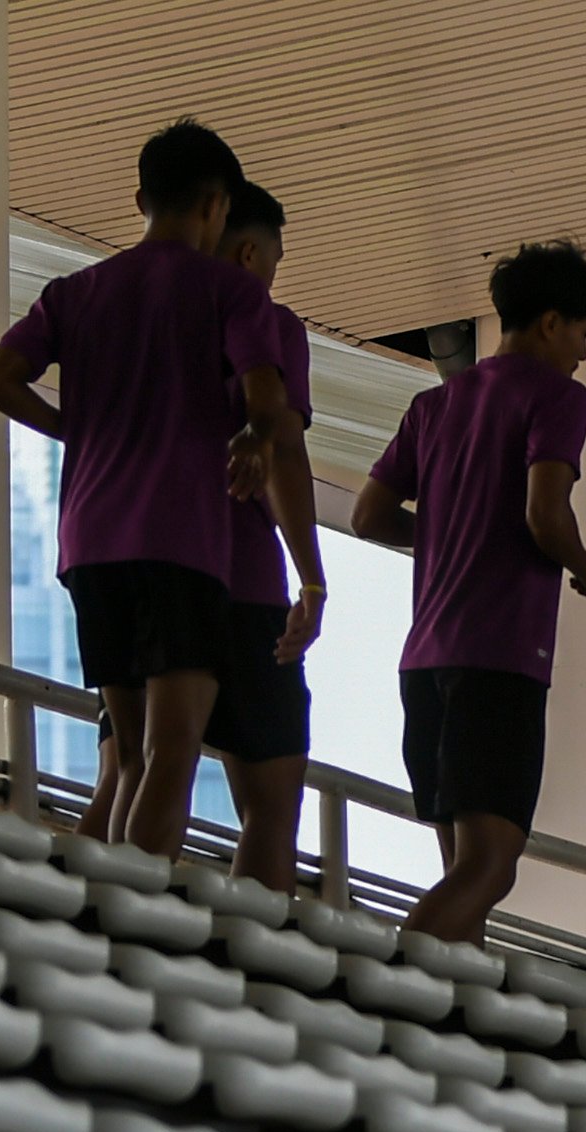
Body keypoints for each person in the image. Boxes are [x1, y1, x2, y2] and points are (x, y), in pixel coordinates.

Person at [0, 120, 313, 858]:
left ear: (141, 197)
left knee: (126, 760)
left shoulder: (76, 291)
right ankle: (130, 925)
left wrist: (72, 428)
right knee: (172, 753)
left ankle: (86, 906)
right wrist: (255, 439)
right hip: (180, 545)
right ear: (218, 205)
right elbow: (266, 401)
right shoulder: (233, 292)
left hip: (89, 545)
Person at [351, 240, 586, 945]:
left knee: (460, 871)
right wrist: (584, 564)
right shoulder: (559, 397)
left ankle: (445, 1026)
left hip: (424, 663)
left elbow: (368, 515)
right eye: (584, 334)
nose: (583, 354)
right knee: (492, 867)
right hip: (500, 658)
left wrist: (443, 531)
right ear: (554, 322)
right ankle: (390, 981)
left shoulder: (434, 404)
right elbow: (545, 514)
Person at [206, 180, 324, 897]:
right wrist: (311, 579)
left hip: (139, 572)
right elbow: (281, 450)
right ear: (251, 252)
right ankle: (255, 968)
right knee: (271, 804)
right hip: (242, 581)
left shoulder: (136, 310)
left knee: (132, 769)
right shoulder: (268, 323)